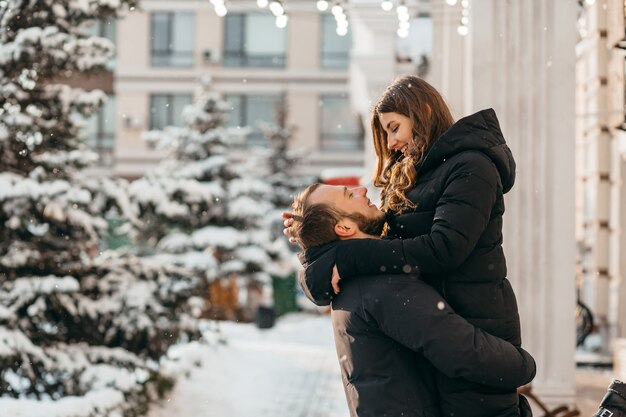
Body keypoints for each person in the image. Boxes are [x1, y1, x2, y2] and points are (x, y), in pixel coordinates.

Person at [285, 75, 530, 416]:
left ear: (424, 112)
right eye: (385, 133)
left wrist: (348, 255)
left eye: (394, 128)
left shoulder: (471, 166)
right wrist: (315, 248)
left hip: (475, 327)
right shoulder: (410, 176)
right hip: (436, 332)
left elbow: (443, 249)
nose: (391, 142)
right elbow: (371, 241)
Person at [288, 183, 535, 417]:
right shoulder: (381, 287)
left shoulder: (352, 282)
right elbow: (463, 350)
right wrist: (524, 365)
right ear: (344, 229)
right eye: (348, 195)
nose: (361, 189)